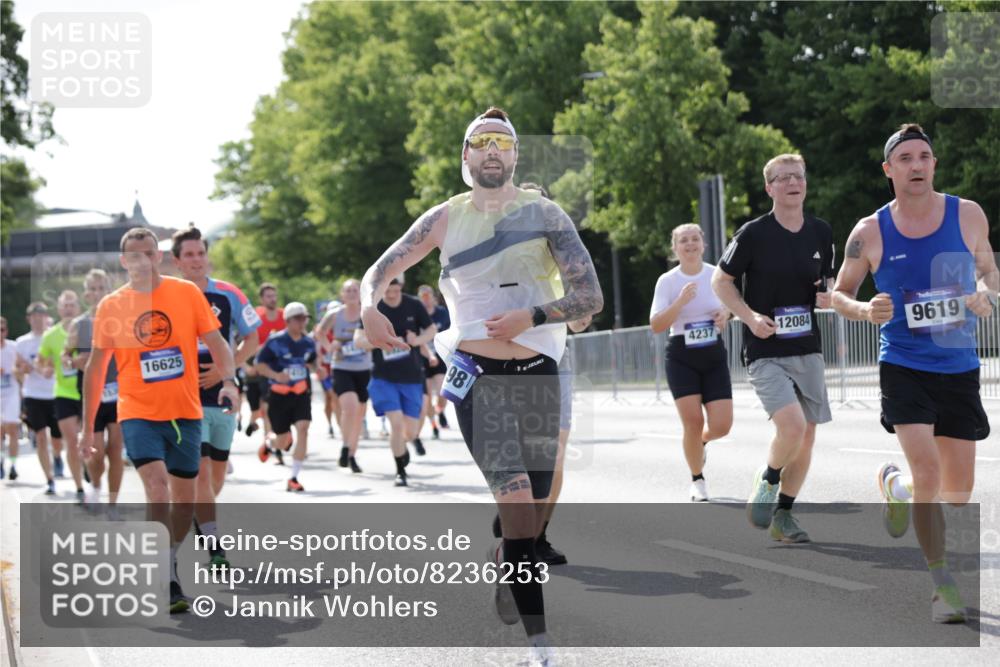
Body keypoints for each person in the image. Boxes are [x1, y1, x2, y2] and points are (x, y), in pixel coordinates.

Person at [359, 107, 602, 665]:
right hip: (477, 375)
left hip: (537, 371)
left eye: (502, 142)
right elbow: (382, 267)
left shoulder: (546, 214)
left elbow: (589, 297)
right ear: (465, 156)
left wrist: (534, 315)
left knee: (535, 511)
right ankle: (541, 645)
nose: (491, 150)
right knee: (517, 505)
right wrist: (369, 308)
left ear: (515, 155)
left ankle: (508, 557)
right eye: (480, 142)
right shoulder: (444, 218)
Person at [831, 124, 997, 623]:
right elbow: (838, 293)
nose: (917, 164)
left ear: (934, 165)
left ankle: (896, 487)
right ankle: (941, 584)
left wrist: (988, 294)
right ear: (889, 170)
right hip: (903, 365)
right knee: (930, 474)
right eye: (905, 158)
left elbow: (990, 270)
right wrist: (864, 311)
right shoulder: (869, 231)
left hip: (959, 365)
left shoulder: (967, 214)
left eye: (924, 156)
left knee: (958, 490)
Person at [80, 227, 239, 613]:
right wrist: (88, 428)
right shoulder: (112, 306)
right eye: (133, 256)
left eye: (149, 254)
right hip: (137, 412)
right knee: (156, 486)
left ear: (159, 257)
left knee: (184, 501)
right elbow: (97, 366)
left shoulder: (186, 294)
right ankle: (168, 579)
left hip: (185, 411)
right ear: (124, 262)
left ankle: (167, 556)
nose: (142, 261)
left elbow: (217, 341)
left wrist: (230, 381)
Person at [712, 153, 834, 543]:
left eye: (797, 176)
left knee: (808, 435)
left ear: (805, 183)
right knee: (792, 426)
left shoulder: (821, 231)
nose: (792, 183)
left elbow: (825, 283)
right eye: (782, 178)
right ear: (769, 188)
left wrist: (827, 295)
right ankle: (767, 479)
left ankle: (784, 515)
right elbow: (721, 281)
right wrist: (748, 317)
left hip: (807, 346)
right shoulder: (753, 233)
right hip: (765, 348)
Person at [171, 226, 261, 566]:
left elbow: (252, 338)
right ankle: (214, 545)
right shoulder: (167, 296)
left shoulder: (229, 294)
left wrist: (226, 371)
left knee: (217, 476)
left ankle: (203, 519)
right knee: (204, 472)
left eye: (201, 254)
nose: (196, 260)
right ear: (177, 262)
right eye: (189, 255)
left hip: (223, 393)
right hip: (185, 397)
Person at [650, 224, 733, 502]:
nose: (689, 244)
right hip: (681, 355)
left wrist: (725, 314)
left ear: (703, 244)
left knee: (722, 425)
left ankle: (703, 443)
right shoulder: (668, 281)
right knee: (693, 421)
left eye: (694, 239)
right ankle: (697, 479)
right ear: (675, 248)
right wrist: (680, 301)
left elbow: (731, 306)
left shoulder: (715, 275)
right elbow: (657, 324)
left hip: (712, 353)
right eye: (683, 241)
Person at [355, 278, 436, 485]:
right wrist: (378, 341)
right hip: (384, 377)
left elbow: (431, 330)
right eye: (386, 290)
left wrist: (416, 340)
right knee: (396, 424)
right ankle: (400, 471)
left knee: (410, 430)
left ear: (401, 286)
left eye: (394, 289)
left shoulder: (414, 305)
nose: (390, 294)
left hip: (411, 376)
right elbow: (358, 340)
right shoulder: (373, 309)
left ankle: (403, 447)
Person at [65, 269, 124, 512]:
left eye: (102, 288)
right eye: (94, 289)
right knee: (97, 452)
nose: (98, 293)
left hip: (119, 394)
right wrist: (75, 361)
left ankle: (112, 504)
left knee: (116, 450)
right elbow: (66, 356)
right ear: (87, 294)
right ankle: (97, 484)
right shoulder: (79, 325)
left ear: (109, 291)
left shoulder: (121, 321)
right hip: (92, 397)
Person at [255, 301, 320, 492]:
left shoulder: (308, 342)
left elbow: (313, 363)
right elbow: (259, 365)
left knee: (304, 429)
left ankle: (294, 477)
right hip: (279, 396)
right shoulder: (275, 341)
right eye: (298, 319)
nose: (302, 323)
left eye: (304, 319)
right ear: (288, 321)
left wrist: (319, 370)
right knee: (282, 442)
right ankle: (269, 443)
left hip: (301, 393)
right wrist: (276, 376)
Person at [317, 279, 371, 473]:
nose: (351, 294)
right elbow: (320, 332)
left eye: (354, 290)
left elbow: (377, 335)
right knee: (350, 407)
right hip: (341, 367)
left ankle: (351, 453)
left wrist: (368, 344)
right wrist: (329, 347)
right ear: (342, 295)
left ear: (360, 293)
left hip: (364, 369)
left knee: (359, 414)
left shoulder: (368, 312)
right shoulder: (335, 314)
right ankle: (345, 445)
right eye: (347, 291)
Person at [37, 290, 86, 502]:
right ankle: (79, 487)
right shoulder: (50, 335)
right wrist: (44, 370)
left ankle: (87, 467)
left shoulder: (87, 329)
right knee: (72, 441)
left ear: (78, 308)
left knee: (91, 439)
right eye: (64, 305)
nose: (68, 308)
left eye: (72, 305)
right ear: (58, 309)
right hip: (63, 392)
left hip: (87, 391)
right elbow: (41, 361)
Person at [15, 302, 63, 493]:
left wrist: (49, 368)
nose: (38, 319)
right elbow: (17, 370)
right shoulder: (21, 342)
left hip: (55, 394)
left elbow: (58, 366)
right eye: (34, 316)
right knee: (41, 437)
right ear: (29, 319)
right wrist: (23, 370)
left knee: (58, 438)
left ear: (46, 318)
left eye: (41, 316)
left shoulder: (54, 337)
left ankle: (58, 456)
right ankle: (49, 478)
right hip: (33, 395)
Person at [247, 282, 284, 462]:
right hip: (261, 369)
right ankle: (266, 436)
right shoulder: (256, 317)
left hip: (282, 369)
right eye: (268, 296)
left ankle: (276, 439)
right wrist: (264, 349)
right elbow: (249, 343)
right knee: (262, 407)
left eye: (274, 295)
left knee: (275, 407)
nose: (273, 299)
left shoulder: (285, 316)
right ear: (262, 299)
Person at [417, 284, 451, 439]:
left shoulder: (442, 313)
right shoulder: (417, 314)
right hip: (422, 357)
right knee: (427, 395)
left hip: (440, 356)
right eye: (422, 297)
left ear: (433, 297)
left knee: (443, 389)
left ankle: (440, 410)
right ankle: (433, 424)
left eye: (428, 296)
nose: (425, 300)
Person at [1, 317, 20, 481]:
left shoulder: (14, 347)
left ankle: (13, 465)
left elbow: (22, 367)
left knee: (12, 429)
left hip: (12, 393)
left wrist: (17, 370)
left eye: (2, 330)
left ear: (6, 331)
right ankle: (1, 460)